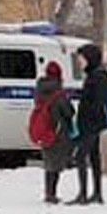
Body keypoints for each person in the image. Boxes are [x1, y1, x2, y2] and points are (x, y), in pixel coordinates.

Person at [71, 43, 107, 205]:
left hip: (92, 124)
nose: (80, 62)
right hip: (91, 123)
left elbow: (98, 100)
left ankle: (83, 194)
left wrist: (91, 120)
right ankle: (96, 193)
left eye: (82, 58)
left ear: (90, 58)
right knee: (94, 157)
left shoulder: (98, 76)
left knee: (80, 156)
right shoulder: (94, 74)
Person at [32, 60, 75, 204]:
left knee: (49, 163)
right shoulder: (58, 93)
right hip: (57, 132)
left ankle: (49, 193)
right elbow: (69, 112)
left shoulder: (40, 90)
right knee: (55, 165)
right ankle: (51, 194)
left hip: (45, 130)